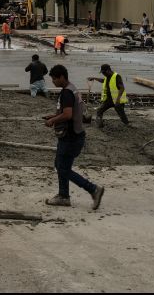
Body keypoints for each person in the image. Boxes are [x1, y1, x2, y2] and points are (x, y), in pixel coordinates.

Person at [43, 64, 105, 209]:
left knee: (63, 168)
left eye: (54, 79)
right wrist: (53, 115)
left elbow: (68, 114)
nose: (53, 82)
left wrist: (52, 121)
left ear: (61, 77)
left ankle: (93, 189)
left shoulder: (66, 93)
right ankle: (63, 196)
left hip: (70, 137)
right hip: (75, 135)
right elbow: (70, 112)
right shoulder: (72, 88)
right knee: (61, 165)